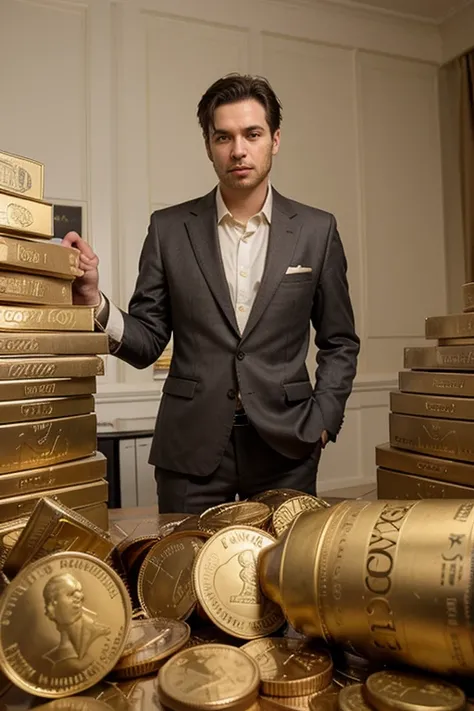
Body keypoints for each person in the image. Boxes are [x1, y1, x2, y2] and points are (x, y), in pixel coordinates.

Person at [63, 73, 360, 514]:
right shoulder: (168, 229)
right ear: (208, 145)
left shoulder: (317, 231)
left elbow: (340, 340)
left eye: (252, 134)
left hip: (287, 446)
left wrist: (322, 421)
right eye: (224, 136)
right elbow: (147, 342)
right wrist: (93, 301)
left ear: (274, 140)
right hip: (190, 447)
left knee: (284, 577)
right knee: (183, 577)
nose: (238, 150)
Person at [42, 573, 110, 673]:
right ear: (53, 602)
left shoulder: (99, 634)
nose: (79, 598)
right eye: (70, 594)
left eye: (78, 594)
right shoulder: (50, 659)